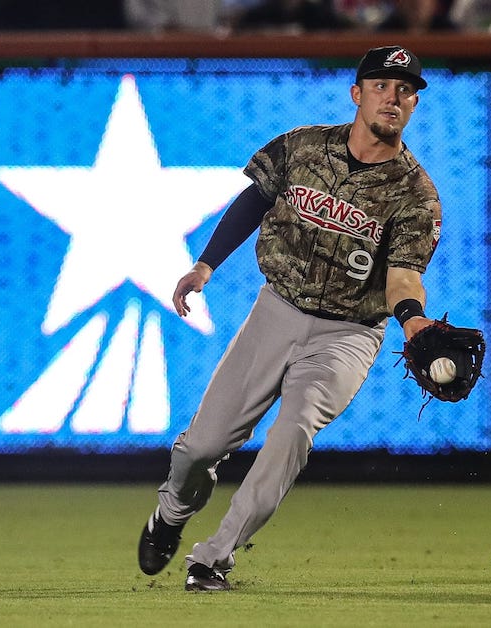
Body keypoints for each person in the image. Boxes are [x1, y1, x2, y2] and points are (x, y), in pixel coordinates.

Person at [138, 45, 444, 592]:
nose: (393, 97)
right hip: (275, 312)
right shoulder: (303, 146)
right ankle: (172, 513)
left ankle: (214, 556)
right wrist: (205, 264)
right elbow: (255, 200)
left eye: (405, 90)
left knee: (293, 430)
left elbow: (402, 277)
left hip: (349, 334)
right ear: (357, 94)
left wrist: (414, 320)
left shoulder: (415, 194)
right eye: (381, 85)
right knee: (200, 448)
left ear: (415, 104)